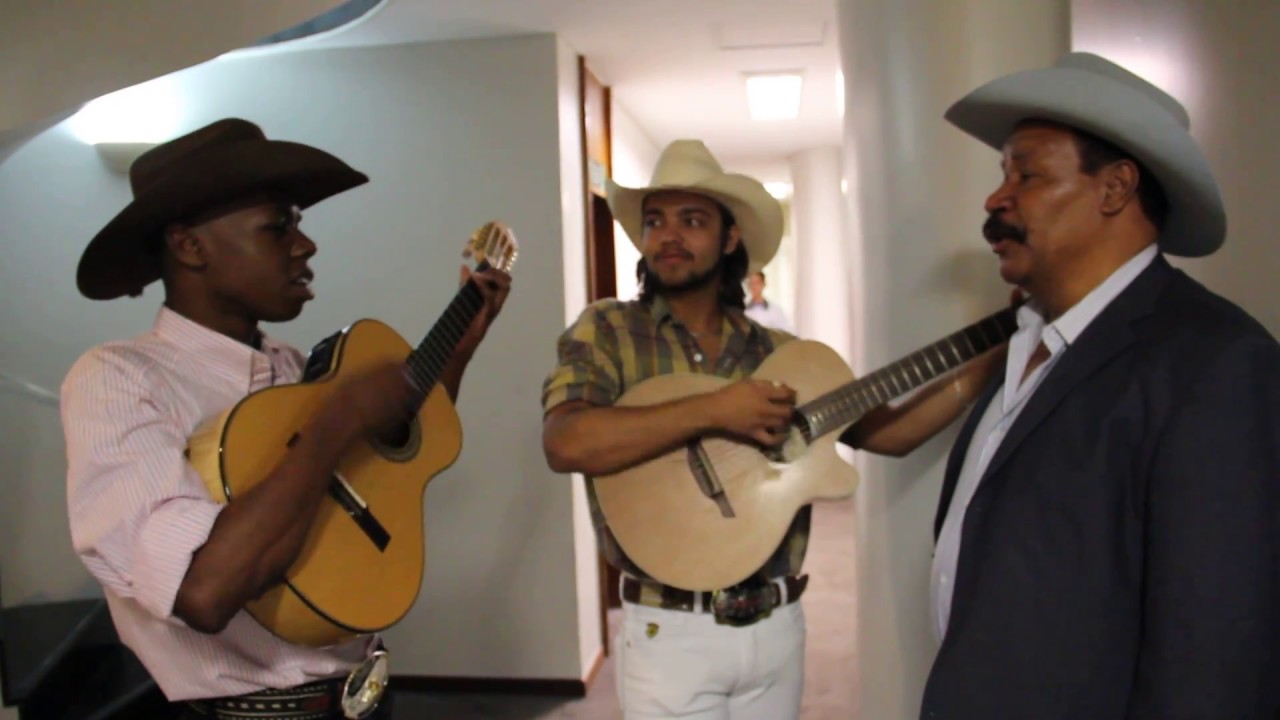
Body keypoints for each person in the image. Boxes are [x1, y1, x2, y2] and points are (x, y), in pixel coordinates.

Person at [60, 118, 511, 719]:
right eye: (278, 226)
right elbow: (204, 591)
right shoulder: (118, 379)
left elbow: (388, 465)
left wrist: (455, 354)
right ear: (189, 246)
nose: (305, 244)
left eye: (299, 223)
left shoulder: (295, 367)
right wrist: (337, 418)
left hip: (365, 697)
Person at [540, 139, 1000, 719]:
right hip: (669, 632)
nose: (668, 235)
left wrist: (995, 358)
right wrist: (716, 410)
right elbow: (566, 442)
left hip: (778, 625)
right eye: (655, 220)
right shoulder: (607, 329)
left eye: (692, 220)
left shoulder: (782, 353)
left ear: (730, 238)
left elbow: (890, 433)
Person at [920, 52, 1280, 719]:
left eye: (1026, 174)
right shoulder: (1026, 344)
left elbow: (1216, 657)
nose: (996, 199)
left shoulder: (1216, 363)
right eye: (1003, 174)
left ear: (1114, 189)